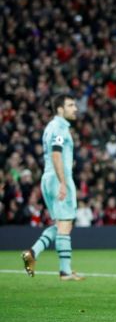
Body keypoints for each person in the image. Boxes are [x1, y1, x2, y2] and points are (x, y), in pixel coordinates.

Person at [21, 94, 85, 281]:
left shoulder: (51, 127)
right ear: (60, 109)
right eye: (71, 105)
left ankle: (33, 252)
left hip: (49, 178)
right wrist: (63, 182)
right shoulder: (58, 128)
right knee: (65, 224)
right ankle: (65, 271)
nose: (75, 108)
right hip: (58, 179)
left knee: (61, 224)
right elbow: (56, 155)